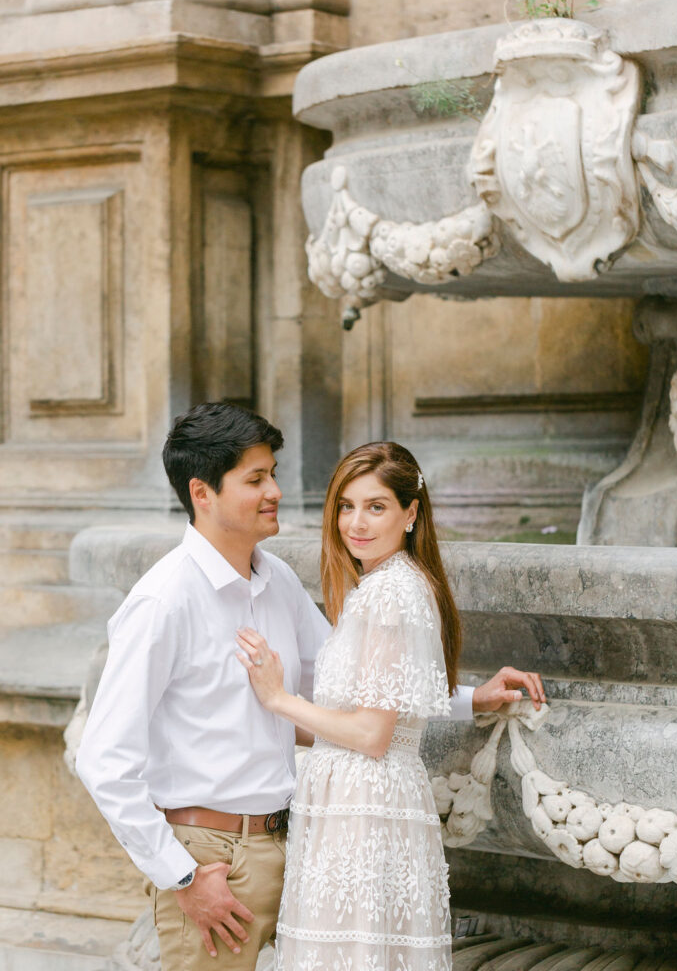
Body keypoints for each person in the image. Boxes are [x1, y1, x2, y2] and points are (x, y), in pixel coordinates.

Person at [76, 403, 543, 971]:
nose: (276, 490)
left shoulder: (276, 583)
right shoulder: (164, 601)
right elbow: (105, 760)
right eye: (256, 479)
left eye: (272, 472)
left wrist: (471, 699)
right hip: (210, 858)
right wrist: (181, 874)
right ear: (203, 493)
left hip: (296, 843)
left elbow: (357, 685)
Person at [236, 441, 545, 971]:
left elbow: (372, 734)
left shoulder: (388, 594)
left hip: (362, 801)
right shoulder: (388, 584)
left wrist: (278, 698)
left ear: (410, 512)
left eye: (376, 506)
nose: (356, 522)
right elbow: (389, 698)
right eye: (346, 505)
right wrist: (475, 699)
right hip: (363, 797)